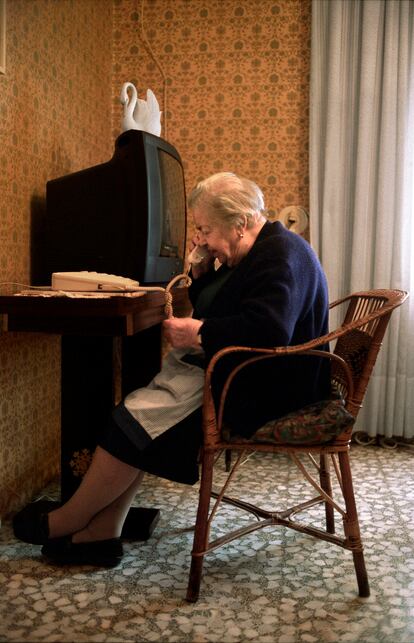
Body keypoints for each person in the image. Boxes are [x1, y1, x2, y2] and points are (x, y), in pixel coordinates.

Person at [13, 172, 331, 567]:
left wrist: (200, 332)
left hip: (265, 389)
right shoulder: (260, 249)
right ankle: (101, 534)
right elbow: (231, 307)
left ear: (241, 223)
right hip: (253, 372)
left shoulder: (278, 256)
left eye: (205, 230)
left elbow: (268, 329)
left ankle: (72, 520)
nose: (202, 240)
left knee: (135, 421)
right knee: (140, 419)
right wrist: (200, 275)